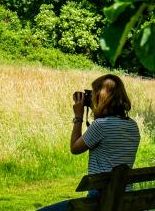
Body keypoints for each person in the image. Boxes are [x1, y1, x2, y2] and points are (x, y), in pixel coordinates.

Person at [38, 74, 140, 210]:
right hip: (124, 198)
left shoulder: (101, 125)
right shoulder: (133, 126)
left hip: (100, 199)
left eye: (93, 95)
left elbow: (75, 148)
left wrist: (78, 117)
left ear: (100, 98)